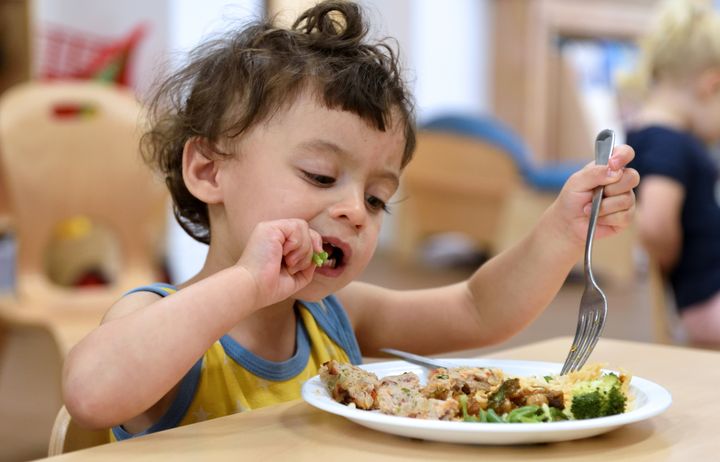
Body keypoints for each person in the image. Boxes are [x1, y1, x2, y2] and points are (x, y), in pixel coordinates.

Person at [62, 0, 639, 439]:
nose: (353, 211)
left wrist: (563, 230)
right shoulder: (159, 321)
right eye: (319, 175)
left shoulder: (334, 318)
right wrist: (244, 284)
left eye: (377, 198)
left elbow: (477, 308)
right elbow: (90, 393)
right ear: (209, 171)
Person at [621, 0, 720, 346]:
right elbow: (654, 223)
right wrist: (670, 261)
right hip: (708, 302)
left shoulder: (646, 133)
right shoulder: (671, 144)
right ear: (711, 85)